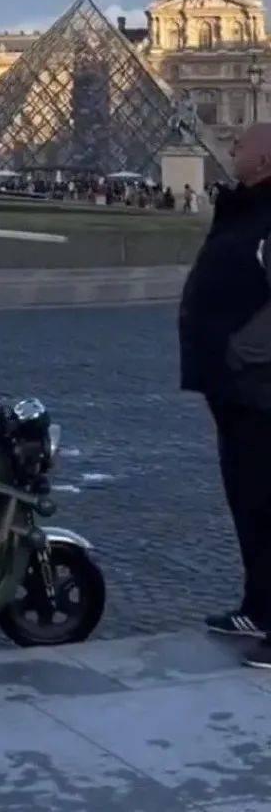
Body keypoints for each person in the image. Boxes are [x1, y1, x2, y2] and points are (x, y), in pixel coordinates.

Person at [179, 124, 271, 667]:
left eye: (242, 146)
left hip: (258, 382)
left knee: (266, 501)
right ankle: (259, 607)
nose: (231, 149)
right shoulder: (245, 208)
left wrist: (243, 349)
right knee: (248, 500)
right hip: (233, 384)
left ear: (265, 161)